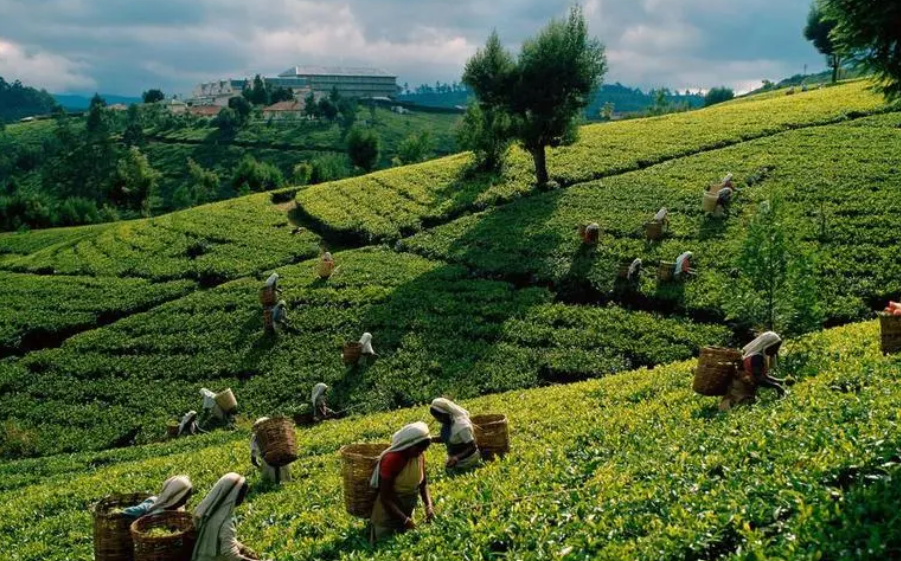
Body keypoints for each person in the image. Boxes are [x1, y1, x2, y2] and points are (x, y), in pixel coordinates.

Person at [370, 422, 435, 543]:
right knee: (384, 546)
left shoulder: (419, 455)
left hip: (406, 509)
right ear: (408, 445)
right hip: (388, 514)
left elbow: (423, 484)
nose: (420, 453)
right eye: (418, 449)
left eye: (423, 450)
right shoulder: (393, 459)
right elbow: (385, 497)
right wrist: (404, 520)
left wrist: (429, 506)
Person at [192, 473, 262, 561]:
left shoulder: (208, 514)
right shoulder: (226, 523)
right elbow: (231, 554)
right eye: (243, 494)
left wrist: (242, 547)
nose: (243, 498)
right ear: (234, 495)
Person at [720, 331, 787, 411]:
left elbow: (763, 376)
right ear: (767, 345)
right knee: (744, 409)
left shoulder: (755, 356)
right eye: (775, 347)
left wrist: (782, 381)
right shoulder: (756, 358)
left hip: (740, 393)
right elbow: (759, 379)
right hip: (739, 396)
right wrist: (777, 386)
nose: (776, 351)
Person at [429, 398, 480, 471]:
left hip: (467, 459)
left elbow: (472, 447)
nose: (438, 420)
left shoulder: (461, 426)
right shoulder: (447, 422)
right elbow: (446, 438)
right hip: (453, 458)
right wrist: (430, 439)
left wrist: (457, 458)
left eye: (439, 417)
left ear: (445, 413)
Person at [123, 476, 193, 520]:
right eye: (183, 498)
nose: (185, 502)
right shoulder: (151, 504)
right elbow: (125, 512)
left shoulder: (179, 510)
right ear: (174, 496)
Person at [250, 418, 291, 485]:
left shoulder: (255, 437)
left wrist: (258, 466)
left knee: (271, 481)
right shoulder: (278, 432)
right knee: (283, 479)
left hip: (269, 460)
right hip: (280, 459)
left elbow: (253, 458)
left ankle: (274, 486)